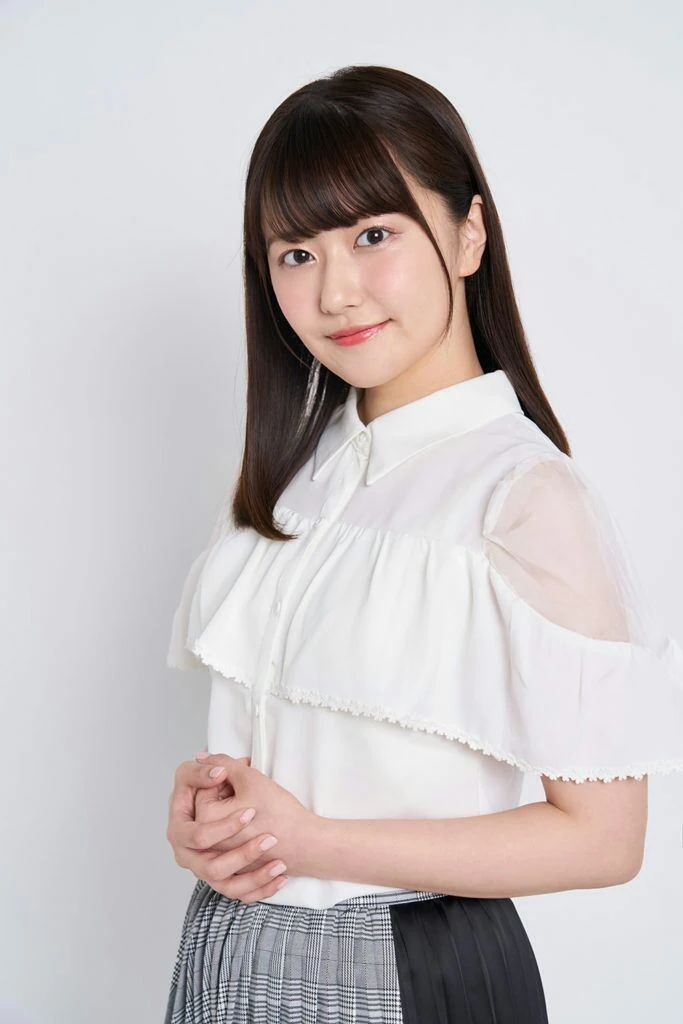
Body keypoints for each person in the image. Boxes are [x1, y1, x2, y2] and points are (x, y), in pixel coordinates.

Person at [162, 64, 683, 1023]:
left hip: (411, 969)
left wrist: (311, 841)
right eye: (296, 253)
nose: (335, 292)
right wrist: (217, 818)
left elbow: (604, 841)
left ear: (468, 233)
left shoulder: (522, 495)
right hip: (227, 955)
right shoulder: (299, 480)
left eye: (374, 235)